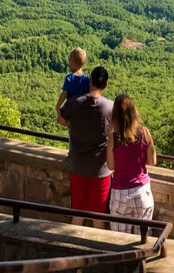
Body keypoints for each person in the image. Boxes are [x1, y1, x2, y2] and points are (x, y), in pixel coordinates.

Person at [57, 65, 113, 228]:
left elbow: (60, 119)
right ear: (105, 85)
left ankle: (74, 250)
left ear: (90, 81)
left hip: (78, 167)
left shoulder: (74, 103)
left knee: (77, 216)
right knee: (98, 220)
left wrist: (72, 124)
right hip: (100, 171)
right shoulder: (110, 107)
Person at [106, 93, 156, 235]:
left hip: (120, 193)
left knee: (120, 241)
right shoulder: (144, 133)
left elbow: (111, 166)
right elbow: (152, 161)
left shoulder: (113, 138)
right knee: (142, 242)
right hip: (142, 191)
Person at [55, 47, 89, 116]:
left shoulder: (69, 78)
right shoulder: (86, 79)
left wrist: (58, 106)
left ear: (73, 62)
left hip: (71, 109)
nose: (68, 63)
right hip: (82, 110)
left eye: (69, 61)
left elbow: (64, 94)